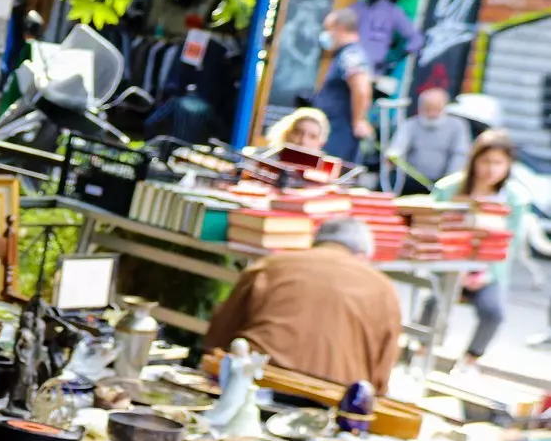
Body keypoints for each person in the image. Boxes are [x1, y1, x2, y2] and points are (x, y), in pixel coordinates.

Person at [203, 216, 401, 392]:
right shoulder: (383, 289)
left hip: (258, 379)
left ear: (316, 243)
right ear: (363, 256)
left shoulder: (273, 265)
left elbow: (222, 329)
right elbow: (381, 373)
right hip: (333, 397)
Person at [432, 129, 516, 364]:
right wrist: (455, 269)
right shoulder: (449, 190)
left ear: (508, 165)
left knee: (494, 312)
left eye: (498, 163)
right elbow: (432, 229)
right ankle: (420, 349)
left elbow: (511, 246)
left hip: (487, 270)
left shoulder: (515, 199)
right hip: (448, 263)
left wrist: (484, 275)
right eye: (486, 161)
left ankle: (471, 359)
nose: (491, 170)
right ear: (474, 160)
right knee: (436, 301)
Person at [315, 7, 376, 161]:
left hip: (340, 131)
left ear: (340, 28)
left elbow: (361, 89)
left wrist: (359, 120)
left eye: (328, 29)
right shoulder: (343, 55)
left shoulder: (351, 54)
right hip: (334, 128)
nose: (326, 34)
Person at [389, 88, 472, 193]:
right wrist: (393, 155)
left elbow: (460, 154)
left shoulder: (457, 125)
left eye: (436, 109)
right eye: (428, 109)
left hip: (441, 184)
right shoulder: (410, 125)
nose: (432, 114)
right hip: (410, 182)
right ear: (420, 108)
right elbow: (398, 146)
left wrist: (447, 182)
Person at [355, 0, 423, 84]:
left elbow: (416, 40)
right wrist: (395, 57)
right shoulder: (393, 11)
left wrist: (393, 56)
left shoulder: (359, 7)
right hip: (371, 67)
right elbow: (417, 40)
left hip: (359, 65)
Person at [264, 106, 329, 154]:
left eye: (312, 137)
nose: (303, 141)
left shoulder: (323, 171)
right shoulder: (262, 158)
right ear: (286, 133)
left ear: (320, 144)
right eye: (298, 133)